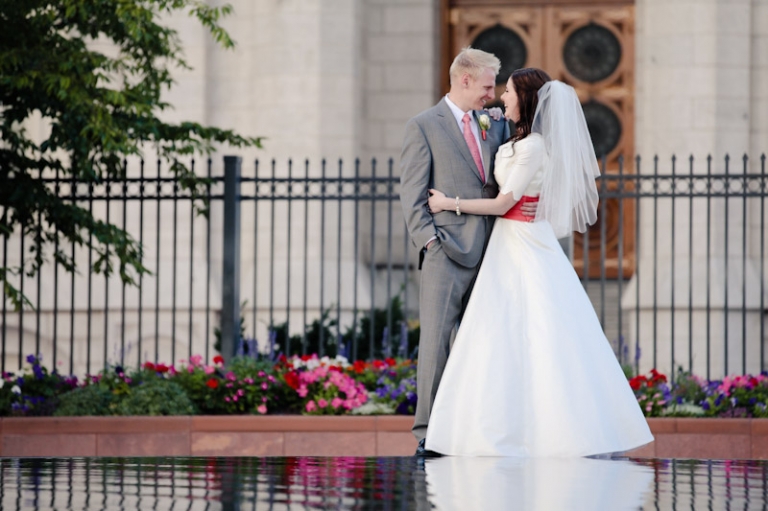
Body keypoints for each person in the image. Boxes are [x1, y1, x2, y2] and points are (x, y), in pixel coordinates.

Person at [423, 68, 653, 457]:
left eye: (509, 93)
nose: (501, 99)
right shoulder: (514, 139)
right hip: (505, 244)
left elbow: (502, 203)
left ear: (526, 98)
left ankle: (549, 433)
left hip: (525, 242)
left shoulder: (533, 147)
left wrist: (448, 203)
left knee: (539, 334)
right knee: (499, 336)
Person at [399, 48, 536, 457]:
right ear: (464, 80)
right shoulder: (423, 126)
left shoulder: (494, 124)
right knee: (437, 344)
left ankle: (478, 429)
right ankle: (427, 432)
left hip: (495, 251)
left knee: (486, 344)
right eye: (487, 86)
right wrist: (429, 242)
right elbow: (412, 194)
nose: (492, 96)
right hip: (446, 252)